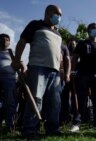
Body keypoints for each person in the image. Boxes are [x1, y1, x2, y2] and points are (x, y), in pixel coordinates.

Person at [11, 5, 63, 137]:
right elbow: (22, 42)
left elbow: (59, 53)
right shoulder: (35, 25)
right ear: (48, 13)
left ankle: (52, 129)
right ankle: (29, 129)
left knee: (54, 101)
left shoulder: (58, 32)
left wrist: (61, 68)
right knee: (36, 98)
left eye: (60, 15)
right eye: (57, 14)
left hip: (55, 71)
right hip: (38, 67)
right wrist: (17, 60)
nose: (59, 17)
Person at [69, 23, 96, 133]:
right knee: (81, 99)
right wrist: (73, 70)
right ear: (88, 30)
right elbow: (75, 57)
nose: (95, 30)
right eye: (93, 28)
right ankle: (76, 124)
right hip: (83, 74)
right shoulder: (82, 43)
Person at [0, 33, 25, 132]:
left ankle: (9, 126)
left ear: (9, 42)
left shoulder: (12, 53)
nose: (5, 40)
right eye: (2, 38)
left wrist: (20, 81)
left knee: (10, 104)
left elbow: (23, 67)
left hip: (9, 80)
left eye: (7, 39)